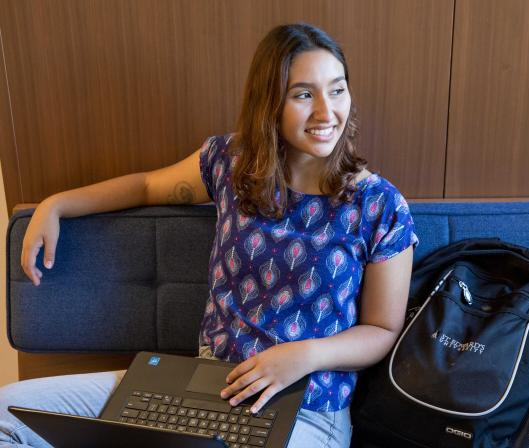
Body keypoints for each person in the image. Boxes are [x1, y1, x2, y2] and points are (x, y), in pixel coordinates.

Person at [0, 23, 417, 448]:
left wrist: (303, 355)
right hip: (202, 389)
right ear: (269, 103)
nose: (327, 112)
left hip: (309, 407)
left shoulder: (380, 206)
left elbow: (382, 329)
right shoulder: (232, 165)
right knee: (6, 412)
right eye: (303, 94)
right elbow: (146, 186)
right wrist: (57, 205)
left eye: (338, 89)